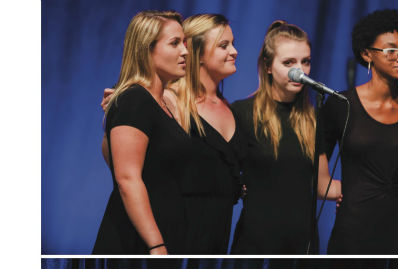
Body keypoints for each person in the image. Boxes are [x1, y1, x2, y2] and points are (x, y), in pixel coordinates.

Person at [319, 9, 398, 254]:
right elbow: (316, 174)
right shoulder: (341, 104)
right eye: (391, 50)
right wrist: (352, 189)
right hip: (352, 231)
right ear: (367, 53)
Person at [231, 21, 340, 254]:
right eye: (289, 62)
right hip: (256, 243)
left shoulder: (314, 119)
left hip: (303, 244)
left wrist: (381, 188)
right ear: (268, 66)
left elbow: (323, 186)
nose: (299, 71)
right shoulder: (241, 113)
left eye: (305, 62)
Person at [93, 10, 192, 255]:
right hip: (138, 241)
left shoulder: (162, 104)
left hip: (165, 230)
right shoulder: (134, 99)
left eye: (185, 43)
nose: (185, 52)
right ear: (147, 49)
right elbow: (126, 177)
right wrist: (156, 246)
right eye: (175, 43)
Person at [168, 13, 242, 253]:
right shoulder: (170, 101)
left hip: (217, 237)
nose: (234, 51)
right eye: (224, 45)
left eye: (232, 43)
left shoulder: (230, 107)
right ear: (196, 53)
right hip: (177, 235)